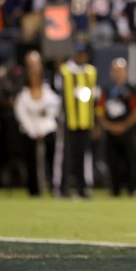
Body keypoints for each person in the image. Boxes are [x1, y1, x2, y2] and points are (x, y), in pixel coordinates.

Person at [14, 50, 61, 196]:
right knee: (32, 162)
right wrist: (33, 131)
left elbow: (56, 106)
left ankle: (55, 186)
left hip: (47, 129)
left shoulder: (48, 91)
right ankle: (34, 189)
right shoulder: (23, 94)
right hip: (30, 132)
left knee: (52, 159)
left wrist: (46, 114)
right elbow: (21, 114)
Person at [54, 42, 98, 198]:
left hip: (86, 120)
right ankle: (62, 187)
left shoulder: (91, 72)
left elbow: (95, 98)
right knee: (65, 155)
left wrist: (95, 121)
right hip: (68, 119)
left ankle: (83, 187)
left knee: (84, 156)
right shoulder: (64, 71)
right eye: (78, 53)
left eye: (83, 53)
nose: (81, 56)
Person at [97, 57, 136, 197]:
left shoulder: (132, 90)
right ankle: (115, 189)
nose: (118, 74)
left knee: (131, 160)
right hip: (110, 132)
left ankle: (132, 188)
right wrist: (107, 125)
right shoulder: (106, 90)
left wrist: (124, 125)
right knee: (112, 160)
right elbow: (99, 110)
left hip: (127, 131)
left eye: (120, 71)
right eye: (115, 71)